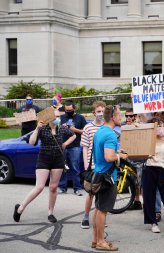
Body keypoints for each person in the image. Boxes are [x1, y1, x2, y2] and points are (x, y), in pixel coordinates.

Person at [13, 117, 76, 223]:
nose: (57, 119)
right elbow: (32, 142)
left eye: (58, 117)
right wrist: (37, 128)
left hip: (58, 159)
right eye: (55, 117)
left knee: (53, 187)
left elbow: (73, 135)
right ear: (49, 118)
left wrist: (65, 144)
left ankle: (50, 212)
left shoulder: (61, 128)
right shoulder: (42, 128)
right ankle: (20, 208)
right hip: (44, 159)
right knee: (39, 187)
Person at [92, 105, 128, 251]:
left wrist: (116, 150)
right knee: (102, 211)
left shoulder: (100, 131)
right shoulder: (111, 134)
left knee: (98, 209)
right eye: (120, 115)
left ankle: (96, 240)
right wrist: (121, 155)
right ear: (113, 117)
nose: (122, 118)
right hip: (107, 177)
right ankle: (101, 241)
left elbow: (103, 151)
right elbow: (108, 157)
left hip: (98, 174)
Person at [80, 101, 106, 229]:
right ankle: (85, 217)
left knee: (103, 191)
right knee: (91, 192)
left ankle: (100, 218)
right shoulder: (88, 127)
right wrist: (86, 164)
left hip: (105, 163)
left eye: (103, 111)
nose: (101, 114)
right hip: (92, 164)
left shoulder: (107, 126)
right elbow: (85, 147)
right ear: (94, 113)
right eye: (98, 111)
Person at [58, 100, 87, 195]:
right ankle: (62, 187)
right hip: (63, 145)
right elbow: (57, 130)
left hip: (75, 146)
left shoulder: (80, 118)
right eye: (66, 110)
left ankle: (77, 188)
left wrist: (74, 129)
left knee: (75, 167)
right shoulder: (62, 117)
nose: (68, 112)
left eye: (70, 110)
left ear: (74, 108)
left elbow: (85, 131)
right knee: (63, 167)